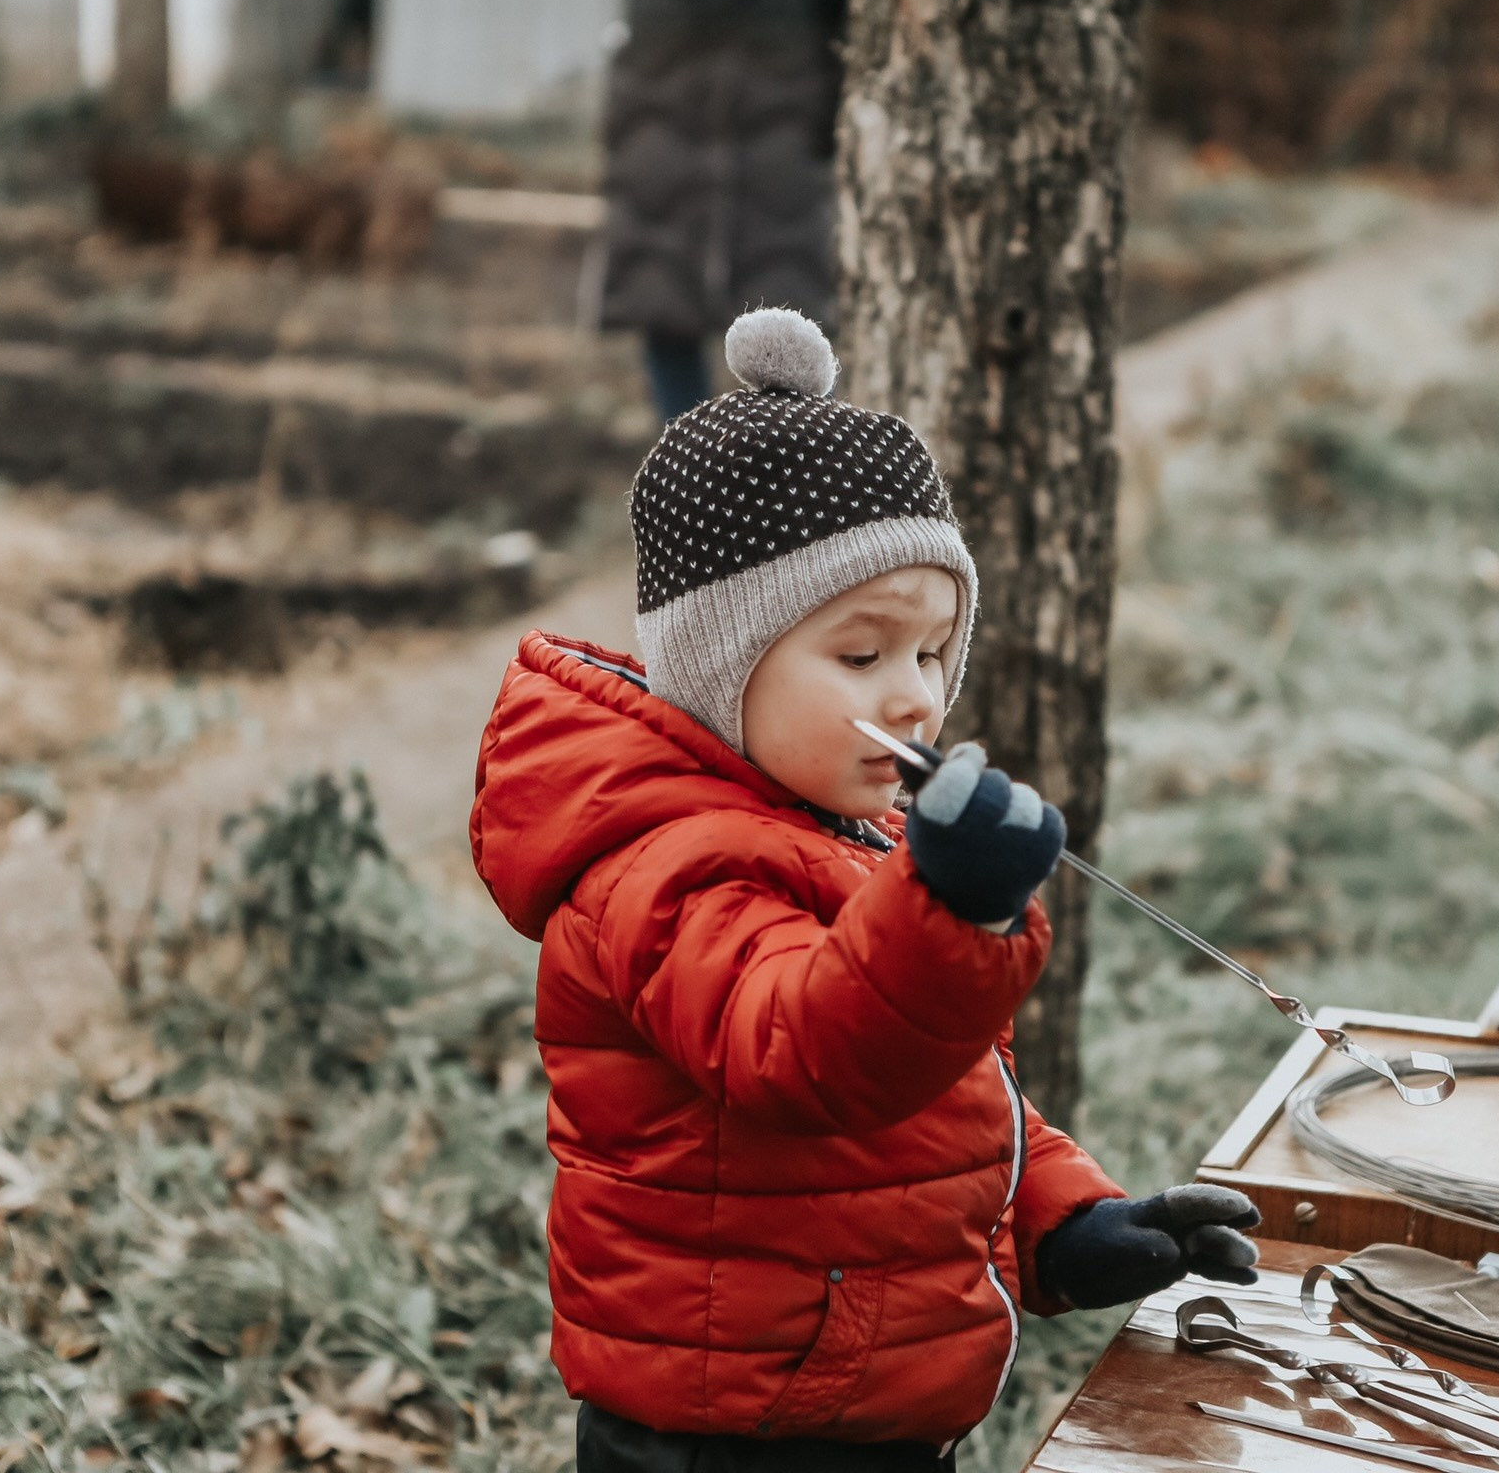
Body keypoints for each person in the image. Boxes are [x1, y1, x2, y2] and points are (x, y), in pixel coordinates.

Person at [470, 309, 1261, 1471]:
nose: (915, 698)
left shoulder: (843, 830)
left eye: (934, 652)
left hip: (854, 1415)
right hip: (731, 1441)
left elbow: (925, 1109)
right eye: (861, 655)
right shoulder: (662, 861)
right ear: (720, 662)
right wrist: (952, 913)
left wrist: (1070, 1224)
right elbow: (806, 1051)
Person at [597, 0, 848, 423]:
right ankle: (684, 470)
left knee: (791, 305)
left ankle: (800, 476)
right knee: (662, 292)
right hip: (666, 89)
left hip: (787, 92)